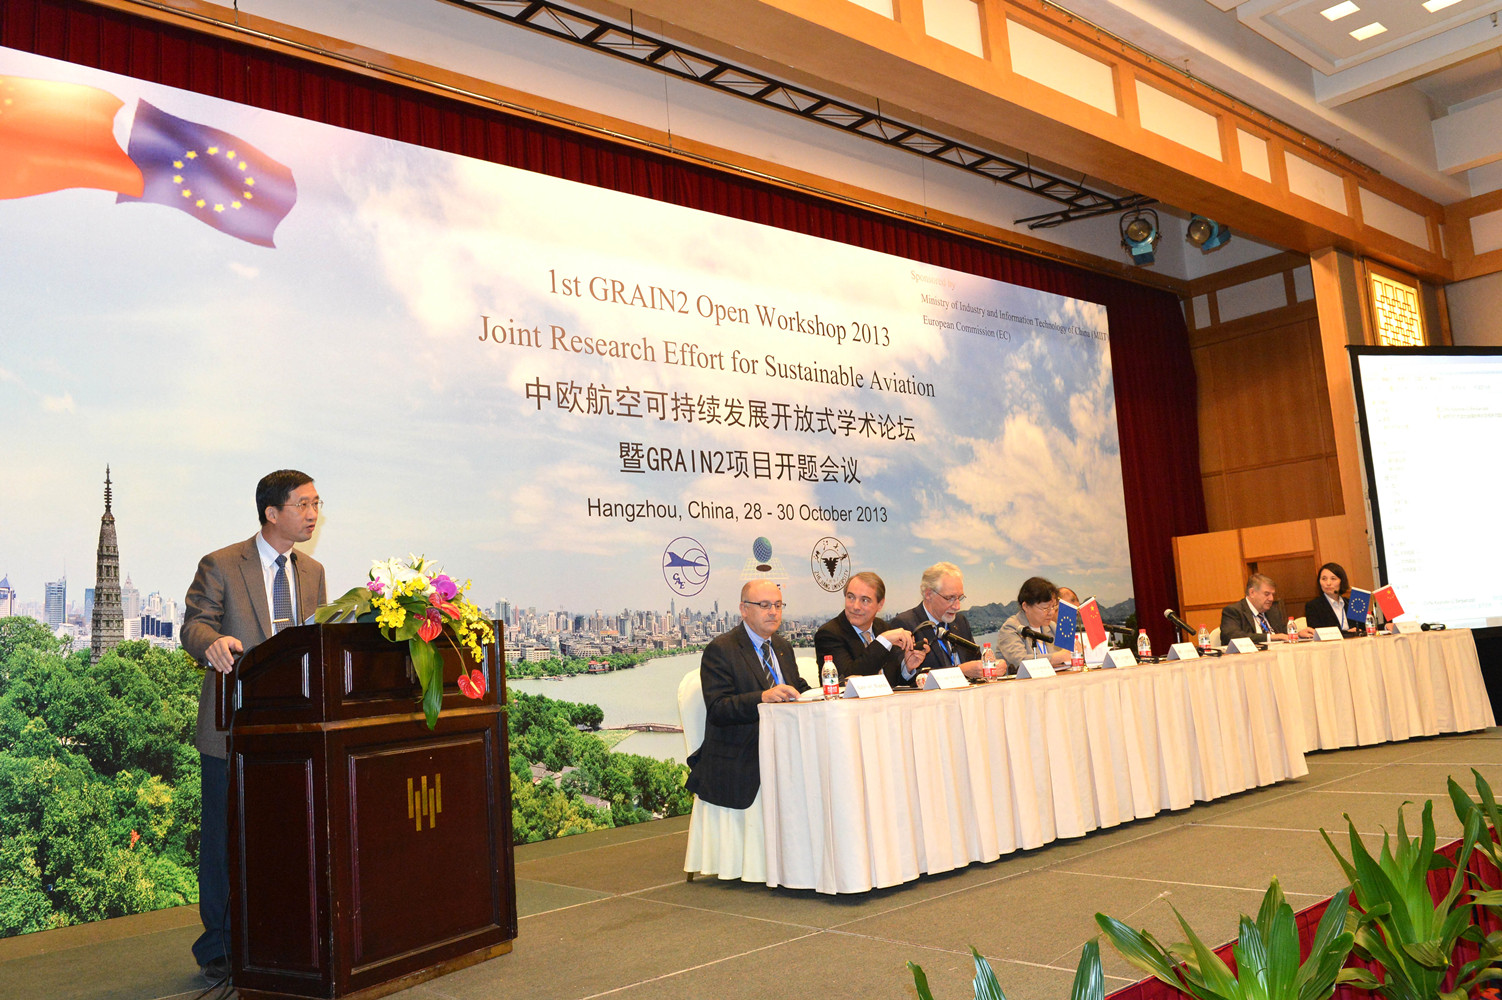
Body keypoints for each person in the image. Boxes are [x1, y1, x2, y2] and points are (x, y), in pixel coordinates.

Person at [180, 470, 327, 986]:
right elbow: (194, 624)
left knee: (286, 837)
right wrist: (212, 643)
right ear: (272, 512)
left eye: (317, 504)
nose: (313, 514)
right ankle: (218, 947)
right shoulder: (221, 564)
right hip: (232, 727)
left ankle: (280, 935)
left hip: (293, 729)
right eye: (303, 504)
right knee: (225, 840)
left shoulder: (313, 572)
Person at [685, 579, 809, 811]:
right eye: (764, 605)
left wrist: (829, 691)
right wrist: (763, 697)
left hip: (787, 754)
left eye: (778, 605)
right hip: (742, 760)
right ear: (744, 609)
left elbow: (798, 687)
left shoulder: (782, 646)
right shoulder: (721, 649)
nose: (773, 612)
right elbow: (718, 709)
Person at [813, 571, 927, 686]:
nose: (856, 606)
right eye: (851, 597)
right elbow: (846, 681)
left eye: (865, 600)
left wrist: (907, 668)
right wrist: (882, 641)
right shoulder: (829, 634)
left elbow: (891, 683)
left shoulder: (883, 627)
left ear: (880, 604)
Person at [889, 562, 984, 679]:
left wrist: (988, 666)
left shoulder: (960, 621)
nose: (957, 606)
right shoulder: (905, 624)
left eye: (960, 598)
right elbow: (901, 678)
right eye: (950, 598)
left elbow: (975, 661)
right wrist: (959, 671)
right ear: (928, 594)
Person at [997, 576, 1075, 671]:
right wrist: (1059, 657)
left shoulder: (1052, 626)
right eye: (1045, 608)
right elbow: (1022, 661)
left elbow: (1069, 653)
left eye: (1053, 606)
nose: (1051, 612)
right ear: (1026, 606)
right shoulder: (1011, 628)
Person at [1221, 573, 1313, 644]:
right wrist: (1270, 637)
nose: (1271, 599)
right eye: (1267, 594)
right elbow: (1232, 636)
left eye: (1273, 594)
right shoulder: (1233, 611)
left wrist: (1298, 635)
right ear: (1252, 592)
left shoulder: (1273, 611)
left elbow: (1283, 633)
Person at [1304, 562, 1364, 637]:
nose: (1328, 583)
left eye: (1333, 579)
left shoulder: (1351, 603)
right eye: (1324, 579)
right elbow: (1319, 633)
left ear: (1342, 581)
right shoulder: (1313, 606)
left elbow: (1363, 629)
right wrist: (1347, 633)